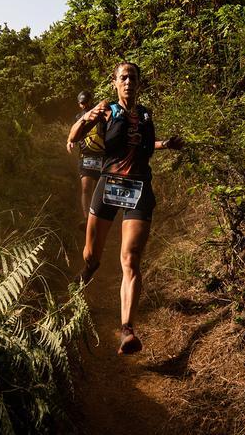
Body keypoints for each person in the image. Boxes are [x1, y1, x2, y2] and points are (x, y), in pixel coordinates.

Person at [67, 62, 184, 355]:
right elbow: (75, 136)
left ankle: (127, 330)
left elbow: (142, 146)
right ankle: (86, 273)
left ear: (139, 83)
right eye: (123, 77)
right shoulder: (106, 110)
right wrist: (84, 121)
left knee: (130, 260)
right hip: (108, 186)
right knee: (92, 255)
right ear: (115, 83)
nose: (128, 81)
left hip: (139, 188)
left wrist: (165, 144)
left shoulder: (145, 115)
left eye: (133, 77)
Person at [67, 90, 104, 226]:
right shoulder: (78, 117)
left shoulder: (101, 114)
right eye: (81, 103)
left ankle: (97, 218)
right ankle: (86, 218)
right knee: (86, 189)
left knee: (98, 191)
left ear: (91, 100)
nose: (84, 105)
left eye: (86, 102)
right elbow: (73, 132)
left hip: (101, 157)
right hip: (85, 156)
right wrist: (70, 141)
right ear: (79, 104)